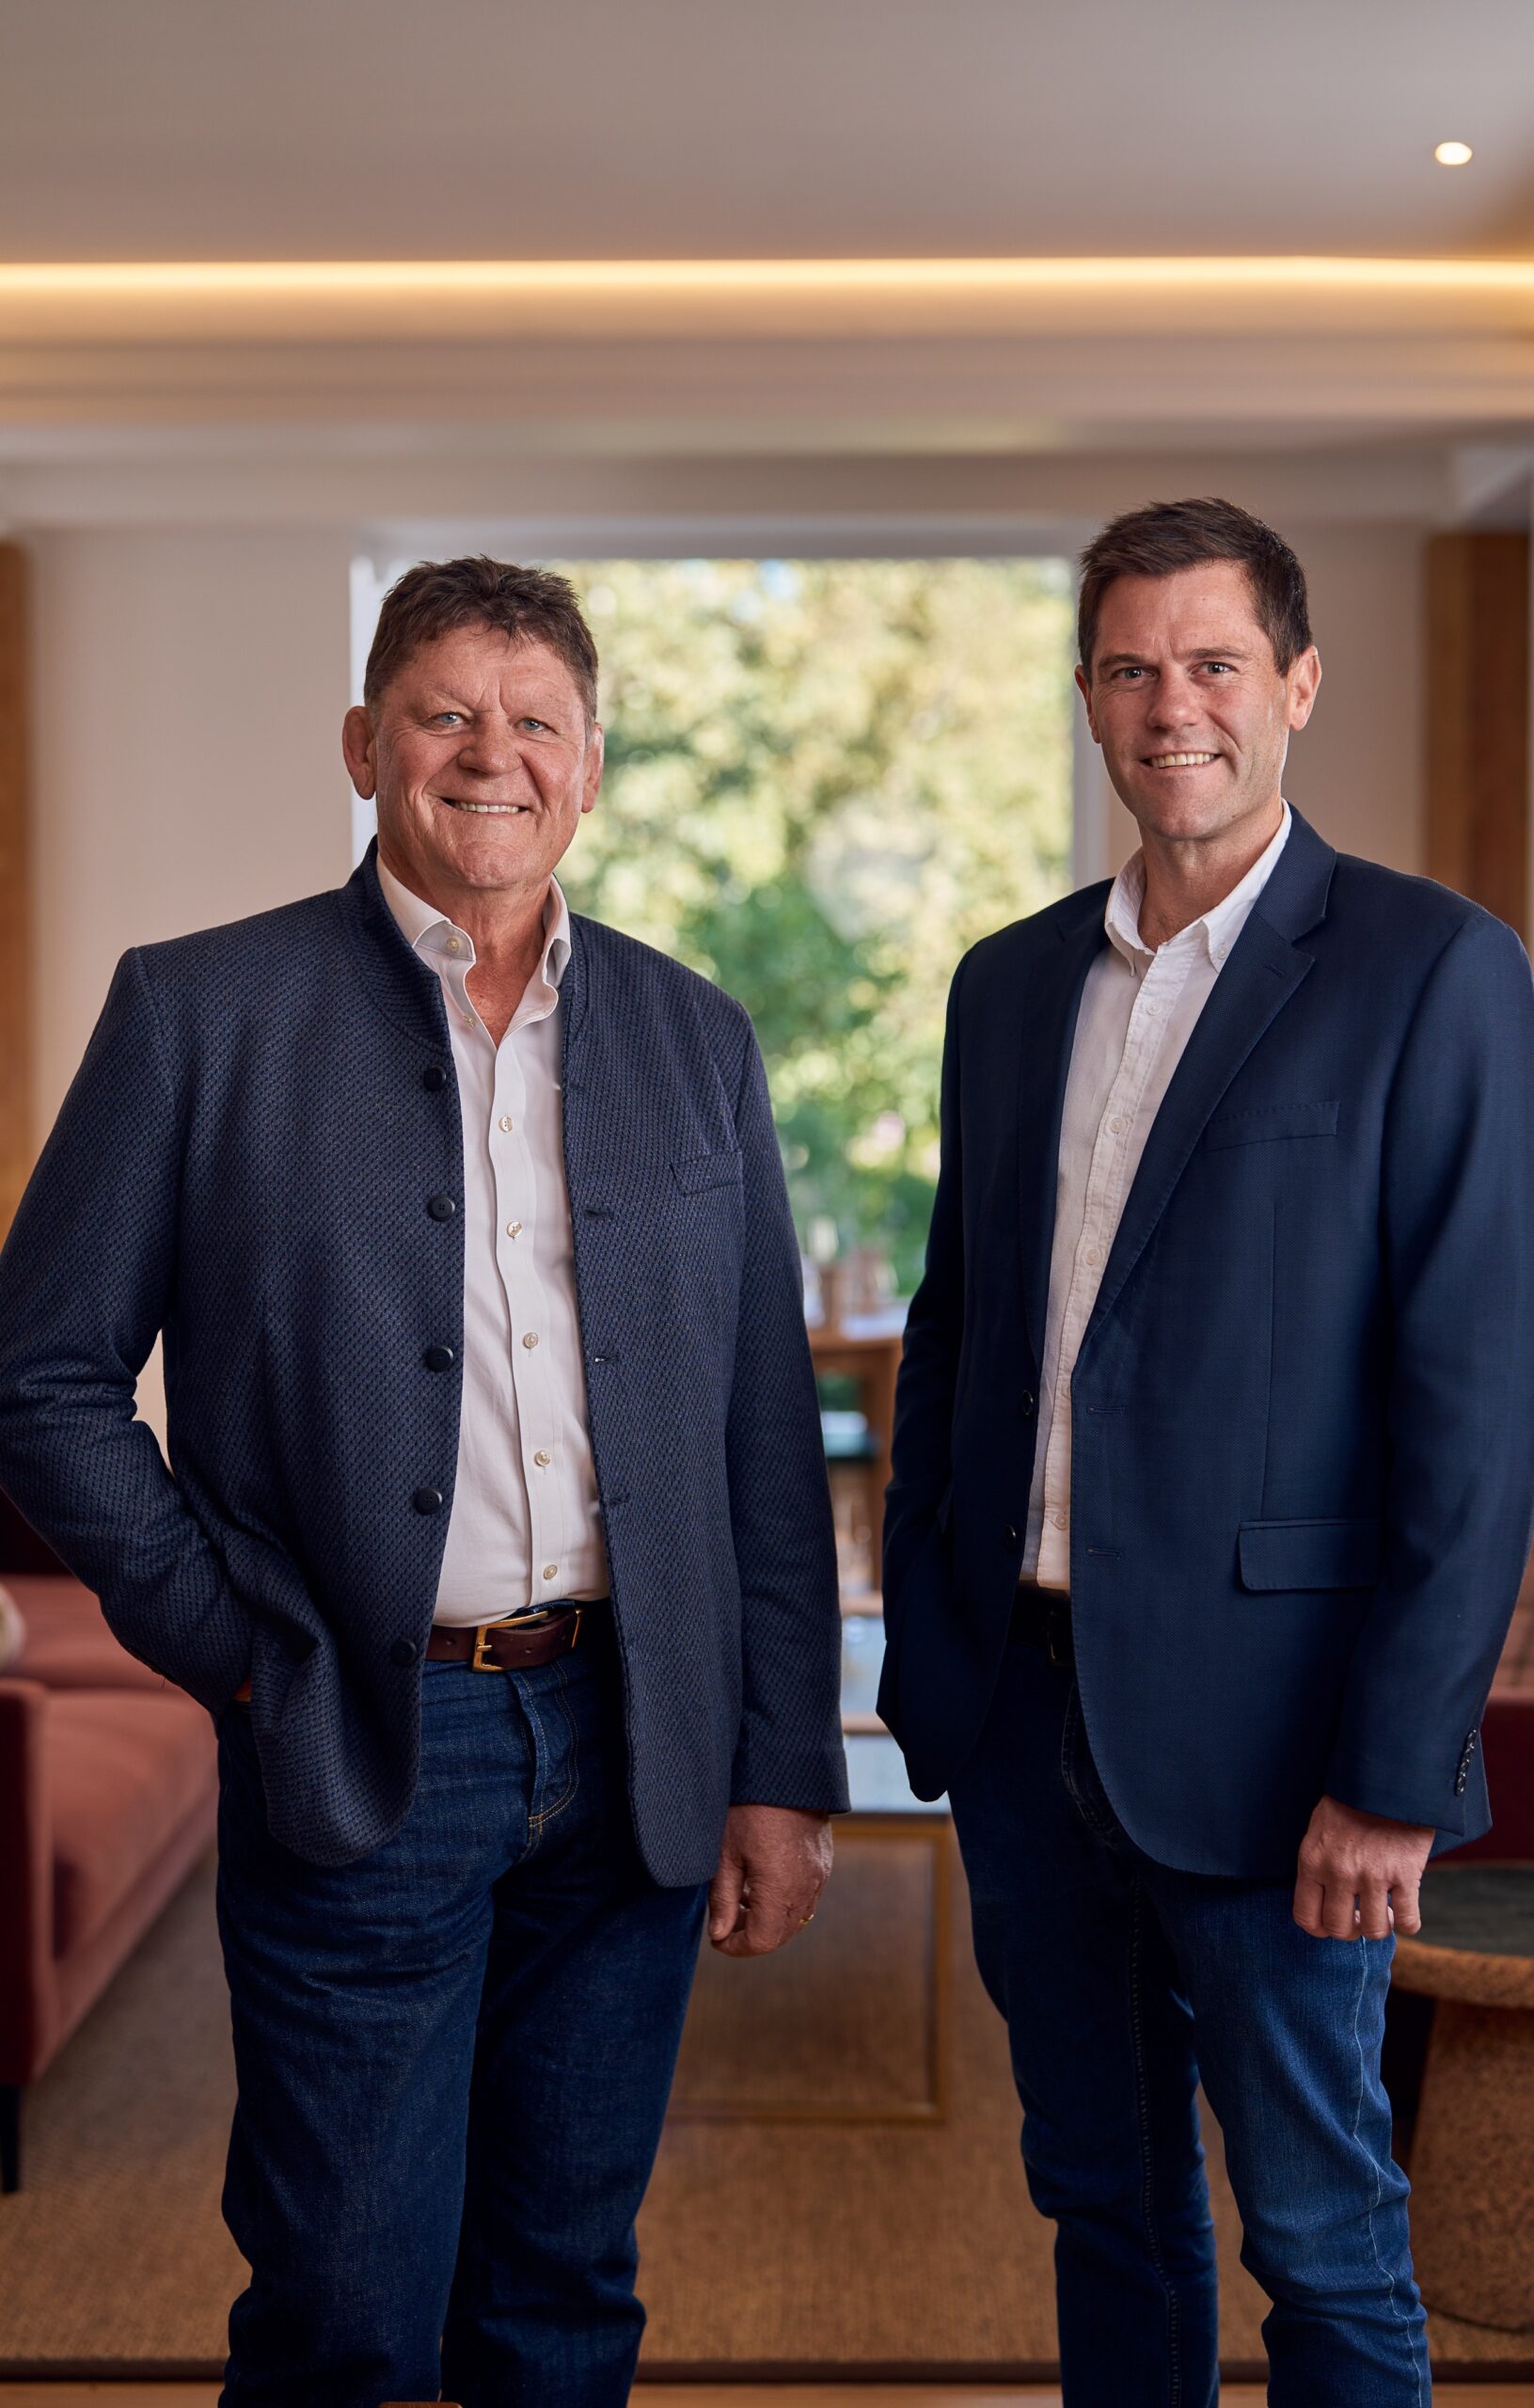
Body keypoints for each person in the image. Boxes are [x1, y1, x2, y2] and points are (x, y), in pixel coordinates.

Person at [0, 556, 846, 2408]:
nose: (491, 754)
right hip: (364, 1733)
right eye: (445, 714)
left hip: (635, 1734)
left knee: (564, 2292)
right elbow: (39, 1373)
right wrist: (238, 1646)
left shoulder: (696, 1036)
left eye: (535, 720)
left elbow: (758, 1434)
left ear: (591, 765)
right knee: (349, 2307)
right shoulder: (200, 1012)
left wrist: (781, 1765)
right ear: (363, 745)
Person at [879, 496, 1534, 2405]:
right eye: (1133, 667)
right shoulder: (1008, 984)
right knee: (1101, 2197)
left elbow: (1476, 1409)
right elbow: (957, 1326)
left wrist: (1394, 1776)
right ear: (1089, 695)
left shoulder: (1435, 968)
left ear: (1298, 684)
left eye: (1218, 663)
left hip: (1282, 1742)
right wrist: (933, 1642)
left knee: (1321, 2234)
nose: (1176, 706)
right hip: (1022, 1711)